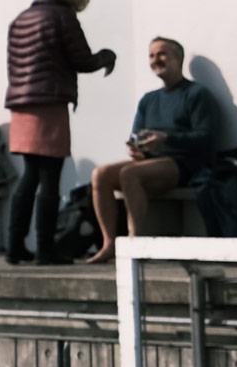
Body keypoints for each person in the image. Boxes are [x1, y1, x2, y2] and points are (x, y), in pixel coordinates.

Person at [3, 0, 109, 266]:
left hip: (21, 103)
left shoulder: (22, 17)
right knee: (50, 176)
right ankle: (46, 250)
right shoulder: (63, 16)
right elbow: (82, 60)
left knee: (30, 175)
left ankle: (14, 247)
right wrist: (105, 57)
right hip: (50, 100)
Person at [90, 37, 225, 256]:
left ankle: (136, 244)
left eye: (162, 54)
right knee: (100, 174)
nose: (155, 60)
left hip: (184, 164)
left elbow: (207, 137)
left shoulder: (196, 94)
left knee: (129, 174)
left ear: (178, 58)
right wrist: (136, 148)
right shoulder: (149, 99)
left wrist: (167, 140)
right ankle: (109, 244)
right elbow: (136, 135)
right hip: (150, 162)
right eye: (151, 55)